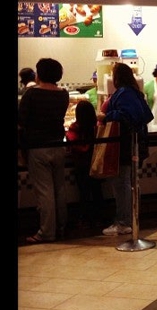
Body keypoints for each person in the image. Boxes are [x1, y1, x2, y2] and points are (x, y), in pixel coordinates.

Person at [18, 58, 69, 243]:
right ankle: (62, 226)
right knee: (60, 188)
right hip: (58, 145)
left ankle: (47, 232)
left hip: (38, 147)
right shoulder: (63, 94)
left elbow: (21, 121)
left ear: (40, 74)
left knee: (45, 191)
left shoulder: (31, 95)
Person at [99, 63, 154, 235]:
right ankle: (131, 219)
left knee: (122, 184)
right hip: (135, 145)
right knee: (130, 183)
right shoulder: (135, 92)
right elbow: (146, 115)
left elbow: (129, 116)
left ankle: (124, 221)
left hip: (124, 146)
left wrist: (106, 116)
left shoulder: (124, 93)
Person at [65, 100, 104, 227]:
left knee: (84, 193)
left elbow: (73, 143)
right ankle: (100, 217)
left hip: (81, 165)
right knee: (97, 191)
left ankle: (84, 219)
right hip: (95, 164)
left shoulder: (75, 128)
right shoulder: (97, 127)